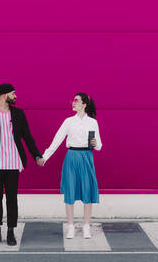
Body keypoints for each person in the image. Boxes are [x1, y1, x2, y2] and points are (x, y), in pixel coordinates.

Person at [0, 83, 45, 246]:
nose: (16, 96)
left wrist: (36, 155)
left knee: (12, 199)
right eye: (13, 94)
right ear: (4, 95)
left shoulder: (18, 114)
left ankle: (11, 231)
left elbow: (27, 137)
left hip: (14, 163)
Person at [41, 93, 102, 239]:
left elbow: (99, 144)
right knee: (70, 191)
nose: (73, 103)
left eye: (76, 101)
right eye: (73, 100)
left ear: (84, 104)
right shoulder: (68, 121)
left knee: (88, 190)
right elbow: (57, 140)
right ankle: (70, 226)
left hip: (87, 157)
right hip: (72, 157)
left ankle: (86, 225)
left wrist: (96, 145)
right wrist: (44, 157)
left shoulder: (93, 122)